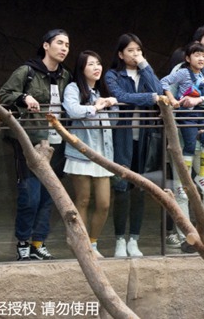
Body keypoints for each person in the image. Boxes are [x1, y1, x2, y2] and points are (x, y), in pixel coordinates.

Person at [0, 28, 71, 261]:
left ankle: (38, 243)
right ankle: (23, 242)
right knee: (29, 194)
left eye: (67, 45)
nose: (64, 48)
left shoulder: (66, 76)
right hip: (30, 140)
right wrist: (23, 97)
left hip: (57, 142)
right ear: (46, 45)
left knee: (49, 195)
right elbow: (4, 94)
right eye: (59, 43)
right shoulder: (27, 71)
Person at [162, 24, 204, 253]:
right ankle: (186, 237)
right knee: (182, 189)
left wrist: (203, 100)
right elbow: (168, 92)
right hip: (183, 135)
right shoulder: (181, 70)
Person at [105, 33, 163, 258]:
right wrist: (150, 98)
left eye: (138, 50)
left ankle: (134, 240)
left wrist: (145, 66)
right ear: (120, 54)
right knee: (121, 188)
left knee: (140, 188)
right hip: (123, 136)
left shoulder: (144, 71)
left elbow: (158, 89)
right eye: (130, 51)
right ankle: (119, 240)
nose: (135, 54)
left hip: (145, 137)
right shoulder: (113, 74)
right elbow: (120, 96)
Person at [63, 50, 118, 258]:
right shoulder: (73, 88)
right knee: (83, 199)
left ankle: (93, 244)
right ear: (81, 69)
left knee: (104, 203)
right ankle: (82, 245)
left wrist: (111, 105)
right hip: (81, 153)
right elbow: (73, 111)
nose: (96, 68)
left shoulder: (102, 89)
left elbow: (113, 121)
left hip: (103, 154)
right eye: (91, 64)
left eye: (98, 63)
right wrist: (95, 107)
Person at [162, 42, 204, 195]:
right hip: (187, 115)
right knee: (189, 145)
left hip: (202, 113)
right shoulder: (183, 73)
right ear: (188, 58)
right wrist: (172, 100)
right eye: (197, 55)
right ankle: (186, 182)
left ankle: (202, 176)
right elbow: (164, 82)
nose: (201, 59)